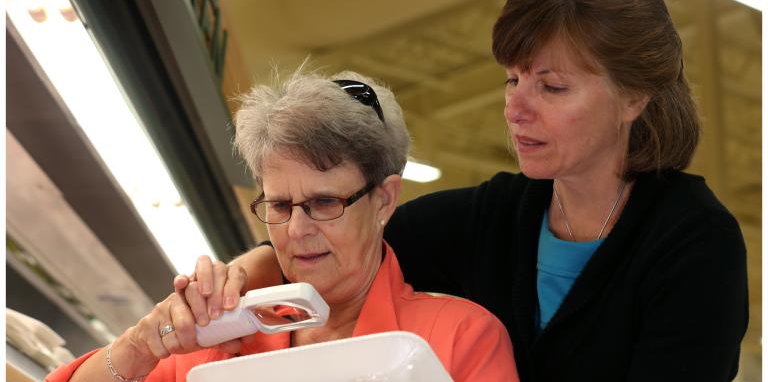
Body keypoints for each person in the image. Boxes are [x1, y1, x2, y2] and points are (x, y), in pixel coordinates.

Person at [179, 0, 749, 381]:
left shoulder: (695, 245)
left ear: (634, 98)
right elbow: (331, 240)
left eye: (551, 86)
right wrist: (240, 275)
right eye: (512, 79)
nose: (516, 108)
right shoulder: (489, 217)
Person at [46, 69, 519, 382]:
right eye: (279, 205)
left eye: (323, 203)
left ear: (384, 200)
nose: (296, 230)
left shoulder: (460, 339)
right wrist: (142, 343)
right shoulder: (217, 341)